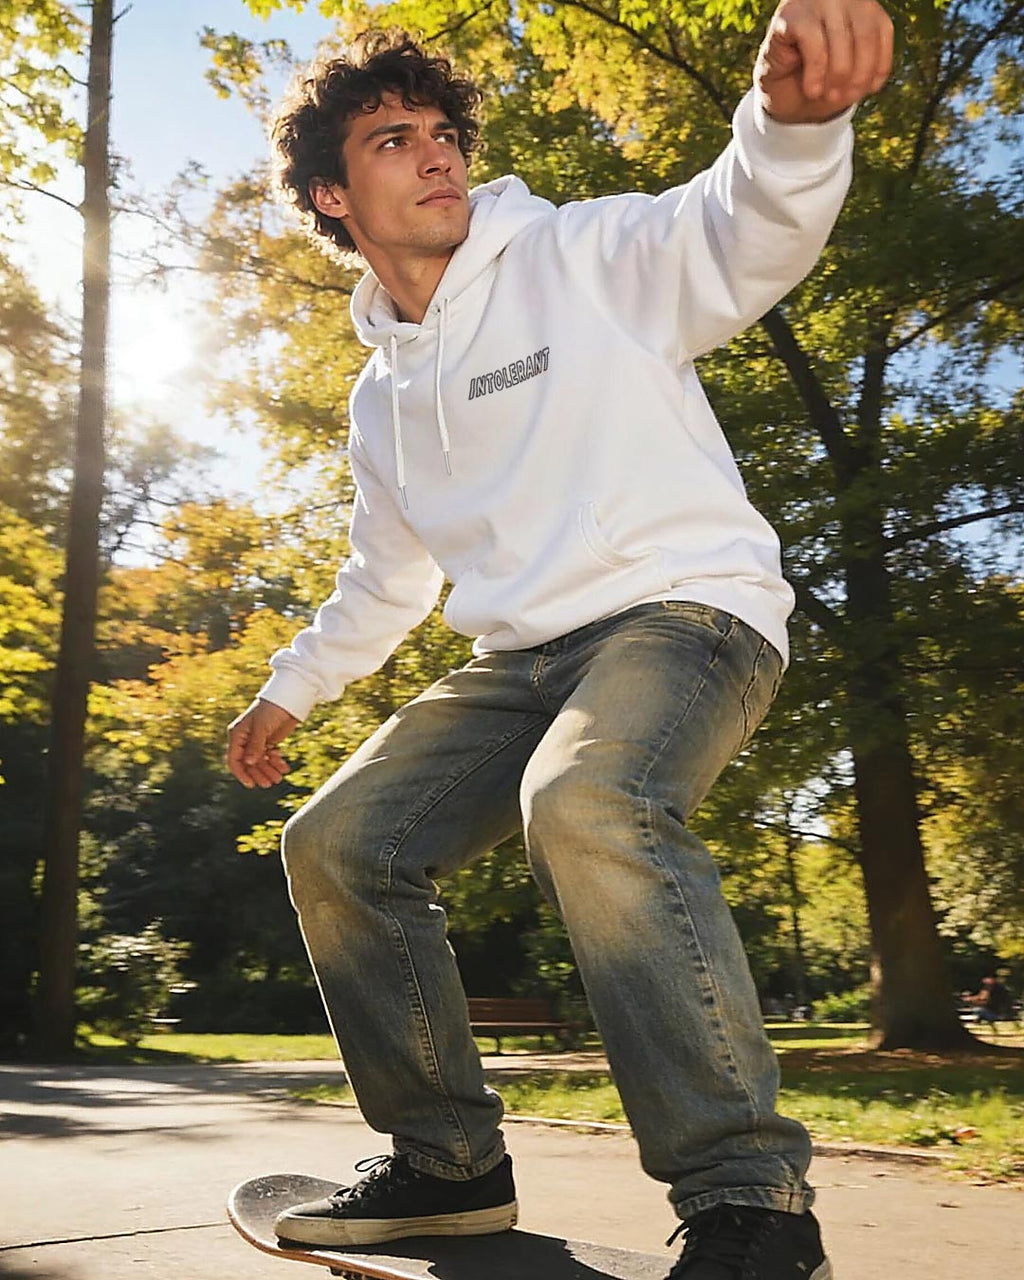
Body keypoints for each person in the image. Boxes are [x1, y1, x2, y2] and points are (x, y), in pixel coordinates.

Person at [225, 4, 893, 1277]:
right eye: (393, 140)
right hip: (519, 664)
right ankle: (446, 1166)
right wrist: (288, 691)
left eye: (444, 134)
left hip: (681, 613)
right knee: (338, 843)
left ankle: (751, 1199)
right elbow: (386, 572)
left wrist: (793, 129)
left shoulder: (578, 254)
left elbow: (730, 231)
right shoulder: (383, 397)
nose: (436, 156)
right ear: (330, 193)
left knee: (585, 799)